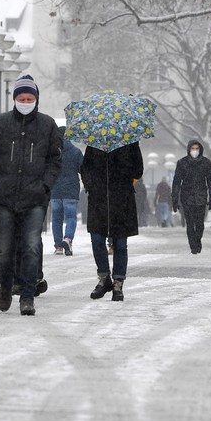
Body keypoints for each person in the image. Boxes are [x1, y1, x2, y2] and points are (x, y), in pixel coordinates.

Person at [0, 75, 63, 316]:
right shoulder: (0, 124)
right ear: (15, 99)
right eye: (21, 98)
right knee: (5, 249)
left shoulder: (48, 126)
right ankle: (5, 286)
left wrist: (45, 186)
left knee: (30, 247)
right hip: (6, 197)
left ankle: (27, 296)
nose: (25, 101)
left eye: (30, 98)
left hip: (35, 198)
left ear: (36, 100)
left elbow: (55, 160)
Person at [80, 142, 144, 302]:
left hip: (122, 198)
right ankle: (104, 277)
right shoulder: (95, 143)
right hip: (98, 198)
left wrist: (121, 168)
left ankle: (118, 282)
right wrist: (90, 184)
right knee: (96, 239)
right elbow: (85, 167)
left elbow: (138, 169)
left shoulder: (130, 143)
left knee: (120, 244)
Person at [172, 140, 211, 254]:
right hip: (187, 198)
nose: (195, 151)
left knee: (200, 224)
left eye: (197, 149)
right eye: (193, 149)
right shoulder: (182, 163)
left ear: (200, 149)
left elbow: (210, 181)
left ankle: (197, 240)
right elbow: (176, 182)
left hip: (201, 197)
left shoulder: (206, 162)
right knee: (190, 223)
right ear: (189, 150)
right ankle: (193, 246)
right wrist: (175, 199)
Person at [51, 127, 84, 255]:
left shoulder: (53, 152)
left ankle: (58, 246)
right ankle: (68, 238)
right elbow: (83, 170)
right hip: (71, 190)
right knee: (71, 217)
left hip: (55, 189)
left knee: (56, 219)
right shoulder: (76, 152)